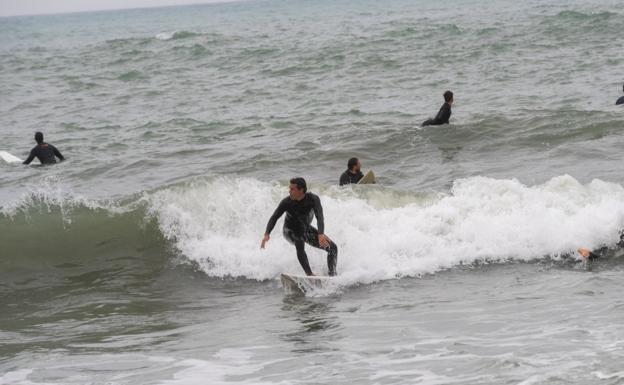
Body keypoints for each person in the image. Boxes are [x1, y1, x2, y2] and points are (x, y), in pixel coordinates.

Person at [261, 177, 338, 276]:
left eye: (292, 189)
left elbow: (320, 217)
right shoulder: (287, 202)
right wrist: (267, 234)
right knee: (299, 240)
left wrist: (321, 234)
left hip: (305, 229)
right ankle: (309, 274)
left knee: (332, 248)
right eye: (289, 189)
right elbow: (274, 217)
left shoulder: (313, 199)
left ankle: (332, 275)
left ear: (301, 190)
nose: (289, 191)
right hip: (289, 230)